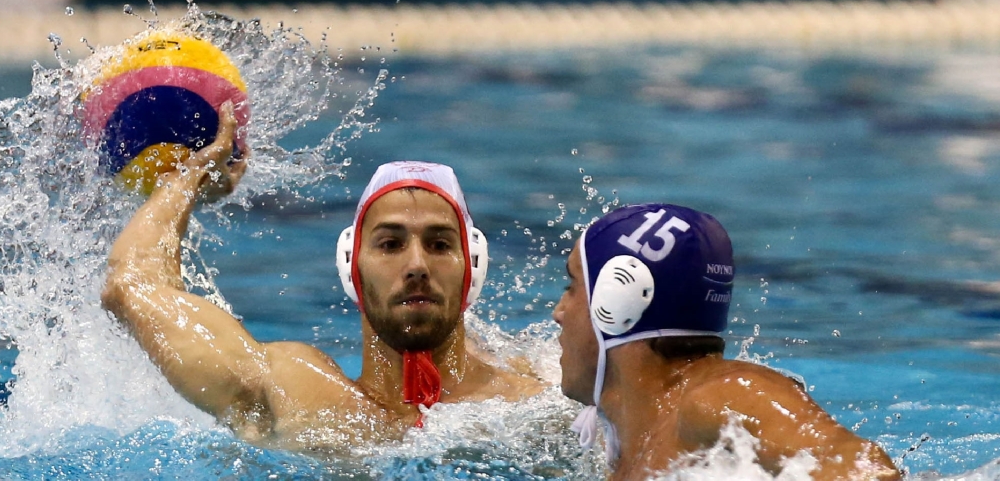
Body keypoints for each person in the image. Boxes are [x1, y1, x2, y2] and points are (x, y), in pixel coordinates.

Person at [102, 104, 543, 451]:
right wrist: (189, 178)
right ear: (352, 266)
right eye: (390, 244)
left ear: (473, 266)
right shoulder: (297, 394)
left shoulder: (535, 405)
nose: (417, 265)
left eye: (440, 244)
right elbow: (130, 285)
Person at [553, 203, 900, 480]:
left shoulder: (720, 395)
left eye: (572, 287)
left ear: (618, 299)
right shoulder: (621, 434)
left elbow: (867, 470)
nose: (559, 312)